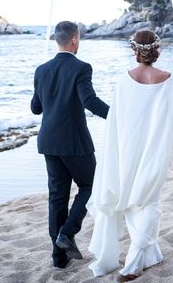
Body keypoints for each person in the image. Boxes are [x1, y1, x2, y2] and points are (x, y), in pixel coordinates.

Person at [87, 29, 173, 280]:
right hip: (154, 150)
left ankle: (149, 255)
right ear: (157, 50)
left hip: (127, 150)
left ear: (134, 50)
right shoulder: (167, 79)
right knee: (147, 200)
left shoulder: (124, 81)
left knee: (135, 199)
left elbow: (116, 120)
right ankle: (134, 263)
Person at [31, 21, 110, 269]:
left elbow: (36, 108)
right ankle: (67, 232)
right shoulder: (81, 67)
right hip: (74, 143)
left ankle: (58, 257)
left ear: (57, 39)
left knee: (57, 198)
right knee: (91, 185)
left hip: (49, 142)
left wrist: (51, 91)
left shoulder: (41, 70)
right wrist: (118, 115)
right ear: (74, 39)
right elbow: (90, 101)